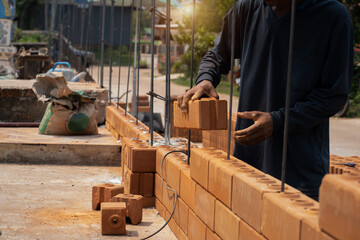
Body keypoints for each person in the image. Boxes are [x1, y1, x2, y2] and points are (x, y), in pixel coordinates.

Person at [177, 0, 353, 200]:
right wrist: (206, 78)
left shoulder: (333, 17)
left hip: (300, 172)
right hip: (248, 163)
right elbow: (219, 53)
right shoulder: (247, 8)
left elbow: (334, 95)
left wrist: (279, 121)